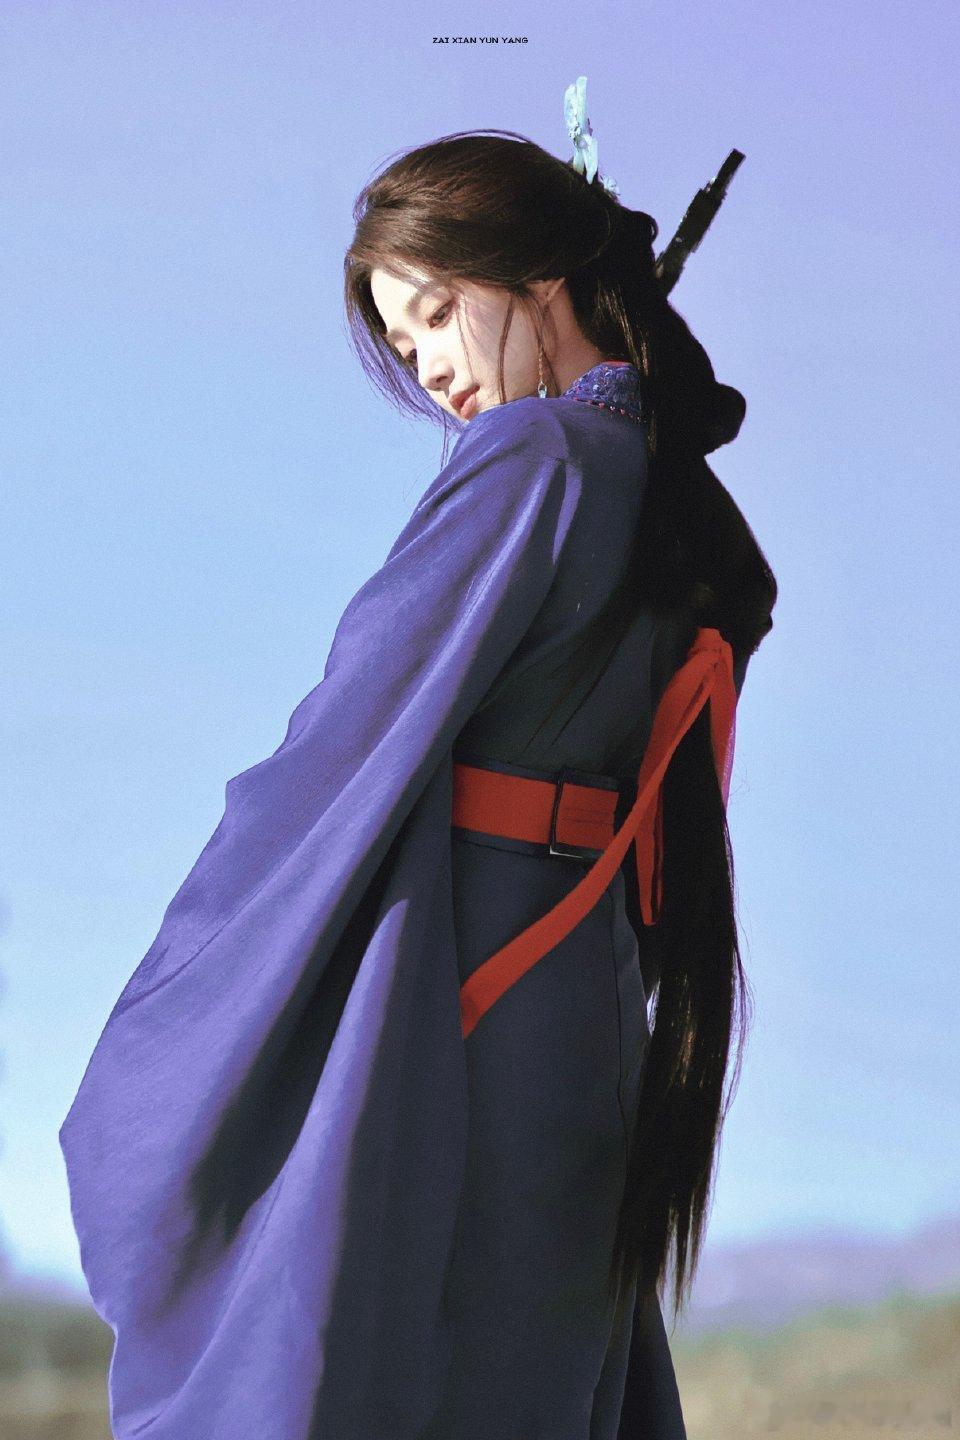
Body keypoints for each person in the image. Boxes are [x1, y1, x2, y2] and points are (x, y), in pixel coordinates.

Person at [59, 110, 777, 1440]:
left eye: (439, 313)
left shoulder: (535, 458)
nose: (432, 367)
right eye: (404, 345)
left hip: (470, 981)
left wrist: (174, 1013)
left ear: (539, 276)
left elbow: (344, 737)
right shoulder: (666, 486)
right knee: (531, 1368)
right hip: (588, 991)